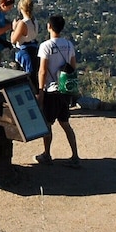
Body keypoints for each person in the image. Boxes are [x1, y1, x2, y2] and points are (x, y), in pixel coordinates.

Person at [35, 14, 81, 168]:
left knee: (47, 124)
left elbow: (42, 71)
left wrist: (40, 91)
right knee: (65, 123)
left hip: (51, 90)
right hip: (64, 90)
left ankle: (47, 154)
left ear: (49, 26)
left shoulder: (46, 46)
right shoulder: (68, 45)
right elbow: (73, 67)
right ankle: (75, 155)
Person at [10, 0, 41, 92]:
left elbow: (13, 40)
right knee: (34, 75)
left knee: (24, 77)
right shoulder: (34, 21)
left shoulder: (23, 23)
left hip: (24, 52)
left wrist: (14, 28)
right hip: (34, 50)